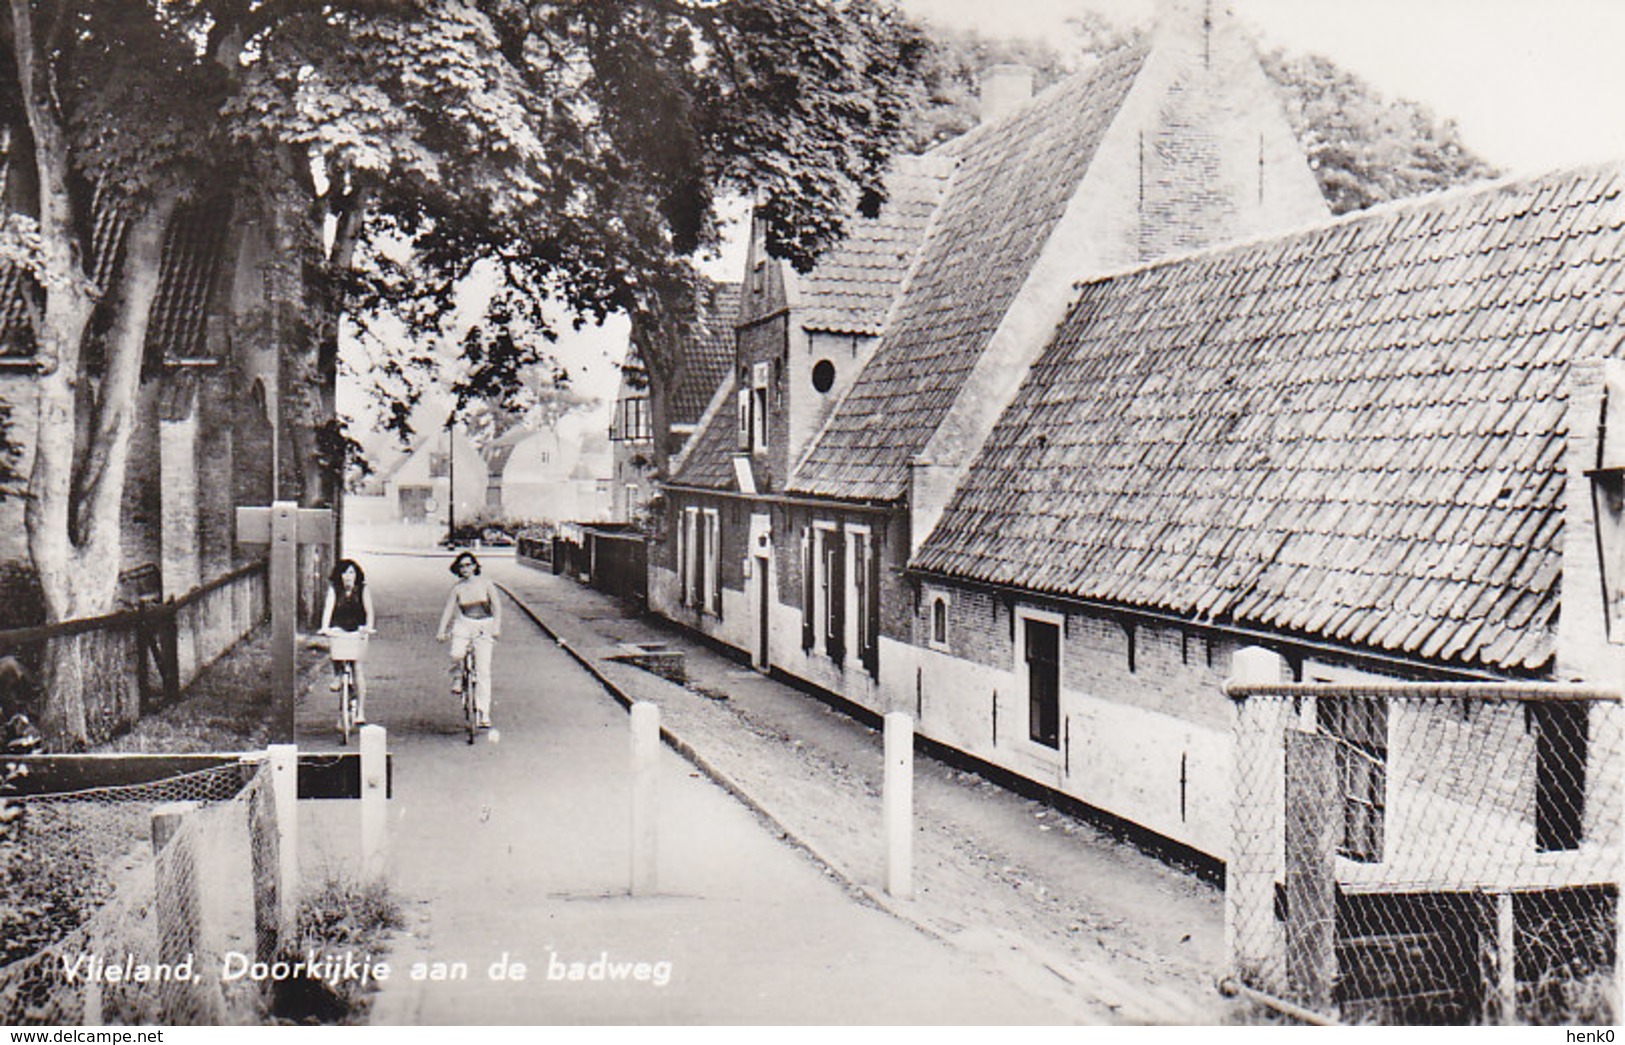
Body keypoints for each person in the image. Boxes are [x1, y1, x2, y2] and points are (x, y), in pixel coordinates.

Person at [437, 550, 501, 729]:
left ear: (475, 566)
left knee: (483, 670)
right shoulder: (457, 589)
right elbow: (449, 610)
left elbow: (496, 607)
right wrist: (441, 630)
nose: (466, 569)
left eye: (469, 565)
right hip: (464, 623)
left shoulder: (486, 584)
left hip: (484, 625)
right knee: (457, 653)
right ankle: (457, 677)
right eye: (462, 566)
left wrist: (496, 627)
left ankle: (483, 712)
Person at [321, 559, 376, 725]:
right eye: (345, 572)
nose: (348, 576)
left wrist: (368, 627)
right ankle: (337, 675)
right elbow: (328, 609)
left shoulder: (363, 590)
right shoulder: (334, 590)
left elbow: (369, 611)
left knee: (357, 669)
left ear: (356, 575)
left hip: (358, 629)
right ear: (339, 575)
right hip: (339, 628)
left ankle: (360, 712)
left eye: (352, 572)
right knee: (336, 651)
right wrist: (325, 627)